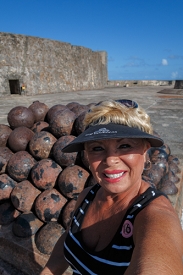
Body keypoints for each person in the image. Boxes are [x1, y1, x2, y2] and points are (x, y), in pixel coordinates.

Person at [40, 99, 183, 275]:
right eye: (97, 148)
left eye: (124, 146)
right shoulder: (87, 197)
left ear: (145, 151)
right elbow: (68, 241)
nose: (110, 160)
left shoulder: (154, 216)